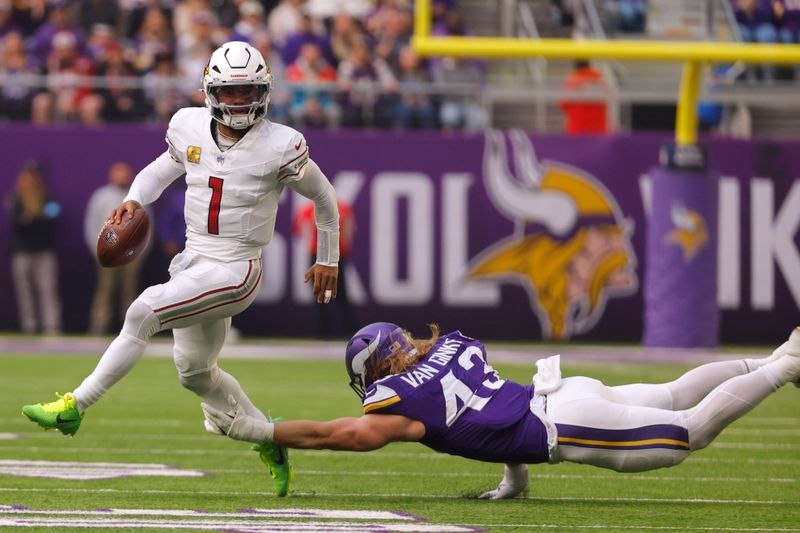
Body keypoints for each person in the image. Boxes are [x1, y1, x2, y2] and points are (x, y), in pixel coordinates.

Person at [22, 41, 341, 498]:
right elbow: (159, 170)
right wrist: (133, 199)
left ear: (263, 90)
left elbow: (325, 197)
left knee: (142, 310)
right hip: (193, 260)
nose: (238, 101)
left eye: (246, 90)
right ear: (210, 92)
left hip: (236, 268)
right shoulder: (188, 126)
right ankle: (268, 439)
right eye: (228, 92)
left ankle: (76, 404)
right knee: (194, 372)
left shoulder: (281, 144)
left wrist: (327, 256)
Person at [202, 322, 800, 499]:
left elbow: (346, 434)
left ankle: (785, 366)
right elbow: (487, 418)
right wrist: (513, 480)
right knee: (672, 391)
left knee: (686, 434)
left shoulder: (401, 398)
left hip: (562, 422)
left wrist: (264, 428)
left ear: (380, 369)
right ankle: (774, 356)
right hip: (563, 392)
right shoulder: (453, 345)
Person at [84, 162, 145, 335]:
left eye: (124, 174)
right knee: (105, 289)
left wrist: (140, 252)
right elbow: (92, 224)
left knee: (130, 290)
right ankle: (99, 325)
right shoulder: (101, 196)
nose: (122, 177)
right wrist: (98, 250)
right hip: (107, 253)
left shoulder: (137, 196)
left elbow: (147, 227)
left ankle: (131, 329)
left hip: (131, 254)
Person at [7, 162, 62, 335]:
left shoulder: (47, 197)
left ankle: (51, 326)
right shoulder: (16, 198)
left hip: (44, 251)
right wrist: (33, 219)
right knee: (25, 292)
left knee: (47, 289)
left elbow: (52, 217)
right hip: (22, 252)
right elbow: (18, 223)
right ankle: (29, 326)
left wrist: (32, 219)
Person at [293, 199, 356, 339]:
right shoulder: (342, 207)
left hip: (319, 254)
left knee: (321, 295)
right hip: (336, 255)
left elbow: (301, 232)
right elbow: (350, 231)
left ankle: (324, 332)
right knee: (340, 295)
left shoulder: (307, 209)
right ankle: (347, 331)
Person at [559, 60, 608, 135]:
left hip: (577, 126)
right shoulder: (600, 77)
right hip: (598, 126)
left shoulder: (573, 79)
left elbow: (563, 103)